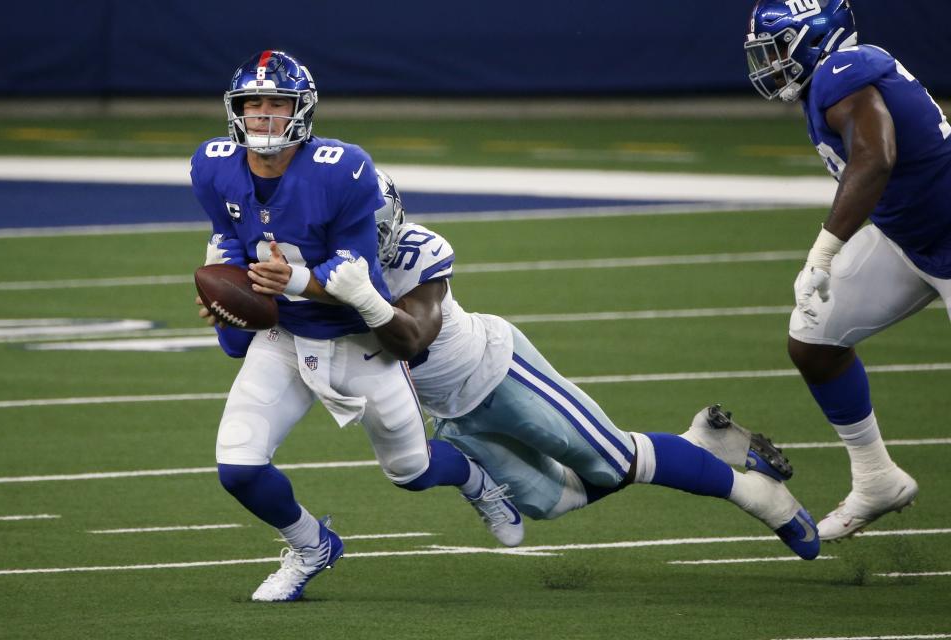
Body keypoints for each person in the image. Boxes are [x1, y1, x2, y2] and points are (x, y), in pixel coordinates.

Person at [256, 168, 823, 561]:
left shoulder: (416, 249)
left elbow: (412, 339)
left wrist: (362, 296)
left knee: (613, 461)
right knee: (557, 501)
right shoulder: (310, 262)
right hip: (449, 412)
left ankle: (755, 496)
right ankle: (697, 443)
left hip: (497, 372)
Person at [192, 50, 523, 602]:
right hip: (286, 338)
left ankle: (474, 478)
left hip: (357, 339)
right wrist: (227, 300)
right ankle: (310, 545)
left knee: (411, 471)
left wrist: (291, 281)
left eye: (279, 104)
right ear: (237, 110)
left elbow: (354, 278)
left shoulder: (342, 167)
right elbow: (230, 245)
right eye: (254, 104)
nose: (265, 117)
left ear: (303, 110)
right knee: (239, 467)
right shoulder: (212, 163)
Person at [745, 0, 950, 539]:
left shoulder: (842, 72)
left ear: (814, 37)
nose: (768, 63)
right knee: (813, 340)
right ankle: (876, 477)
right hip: (912, 240)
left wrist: (823, 251)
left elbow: (874, 158)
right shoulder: (832, 81)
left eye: (777, 49)